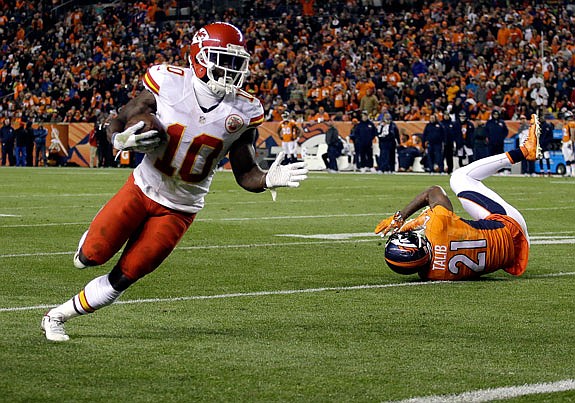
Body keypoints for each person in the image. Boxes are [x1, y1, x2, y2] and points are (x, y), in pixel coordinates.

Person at [41, 22, 308, 342]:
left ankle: (56, 316)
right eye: (224, 59)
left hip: (180, 208)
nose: (232, 69)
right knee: (89, 257)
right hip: (141, 188)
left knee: (126, 276)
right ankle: (92, 243)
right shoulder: (168, 82)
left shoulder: (245, 110)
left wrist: (268, 179)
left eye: (237, 62)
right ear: (199, 56)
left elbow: (246, 173)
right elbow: (120, 118)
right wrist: (119, 139)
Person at [374, 114, 542, 281]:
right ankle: (525, 150)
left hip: (512, 256)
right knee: (460, 177)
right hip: (512, 227)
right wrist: (400, 218)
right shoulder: (437, 226)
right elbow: (433, 192)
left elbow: (437, 243)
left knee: (467, 228)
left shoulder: (432, 275)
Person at [561, 111, 575, 177]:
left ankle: (573, 172)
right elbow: (564, 135)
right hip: (564, 142)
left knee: (571, 157)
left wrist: (571, 141)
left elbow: (572, 133)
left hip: (569, 142)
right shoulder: (565, 125)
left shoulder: (571, 123)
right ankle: (568, 172)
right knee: (566, 158)